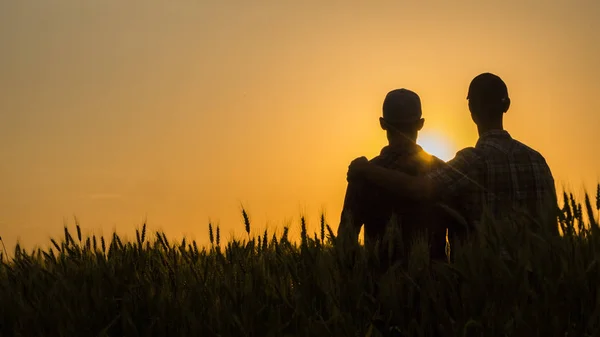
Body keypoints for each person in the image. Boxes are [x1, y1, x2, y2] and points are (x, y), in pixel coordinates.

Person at [347, 73, 559, 254]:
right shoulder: (538, 162)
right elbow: (552, 233)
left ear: (471, 108)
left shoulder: (468, 164)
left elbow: (418, 188)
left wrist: (367, 169)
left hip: (480, 290)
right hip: (536, 290)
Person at [337, 88, 449, 264]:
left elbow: (345, 241)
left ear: (382, 123)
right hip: (435, 288)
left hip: (378, 287)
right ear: (420, 124)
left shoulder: (363, 174)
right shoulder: (442, 171)